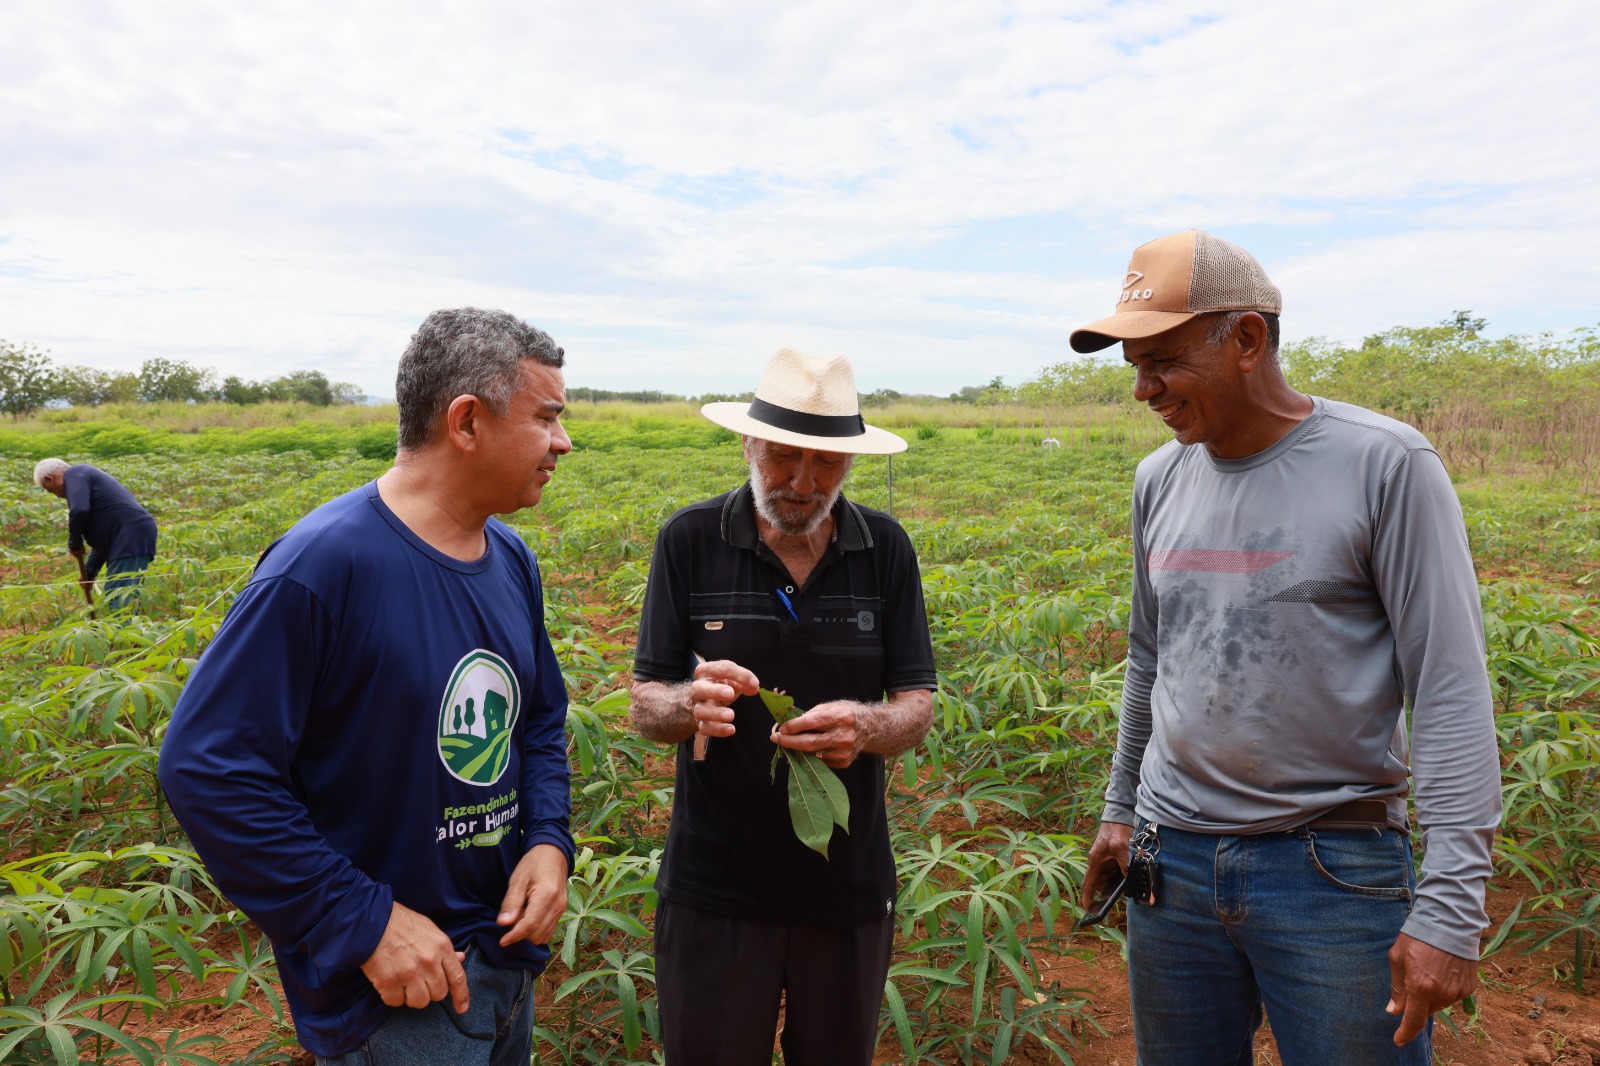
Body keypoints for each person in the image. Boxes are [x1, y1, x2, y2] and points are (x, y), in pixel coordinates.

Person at [1072, 230, 1501, 1065]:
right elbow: (1151, 661)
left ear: (1246, 339)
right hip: (1172, 865)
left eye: (1160, 359)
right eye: (1133, 363)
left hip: (1332, 868)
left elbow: (1447, 688)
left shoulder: (1387, 464)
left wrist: (1453, 905)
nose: (1142, 389)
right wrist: (1122, 811)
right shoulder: (1159, 478)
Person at [158, 308, 576, 1064]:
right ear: (468, 422)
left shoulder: (511, 557)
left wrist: (548, 840)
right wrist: (365, 922)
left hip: (506, 958)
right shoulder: (322, 566)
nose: (563, 442)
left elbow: (540, 719)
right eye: (547, 418)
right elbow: (208, 769)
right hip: (395, 998)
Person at [629, 347, 938, 1066]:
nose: (802, 483)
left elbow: (917, 705)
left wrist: (868, 726)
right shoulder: (688, 541)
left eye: (826, 464)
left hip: (848, 887)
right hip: (715, 885)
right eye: (782, 457)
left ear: (851, 464)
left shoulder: (886, 549)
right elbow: (645, 705)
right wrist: (690, 704)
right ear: (747, 443)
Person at [33, 457, 158, 611]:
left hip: (131, 535)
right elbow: (104, 538)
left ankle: (124, 633)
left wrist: (74, 543)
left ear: (49, 479)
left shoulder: (75, 473)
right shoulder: (84, 482)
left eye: (51, 490)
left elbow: (79, 510)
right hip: (128, 535)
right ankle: (127, 631)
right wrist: (90, 571)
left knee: (120, 596)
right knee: (122, 593)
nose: (57, 496)